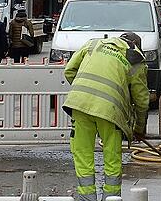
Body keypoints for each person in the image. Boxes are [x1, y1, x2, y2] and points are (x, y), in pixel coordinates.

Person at [63, 32, 149, 201]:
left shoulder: (93, 44)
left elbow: (69, 70)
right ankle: (111, 198)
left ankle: (87, 198)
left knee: (82, 155)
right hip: (110, 112)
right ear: (134, 45)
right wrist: (138, 129)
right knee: (112, 157)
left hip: (80, 106)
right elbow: (142, 100)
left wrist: (87, 92)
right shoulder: (135, 58)